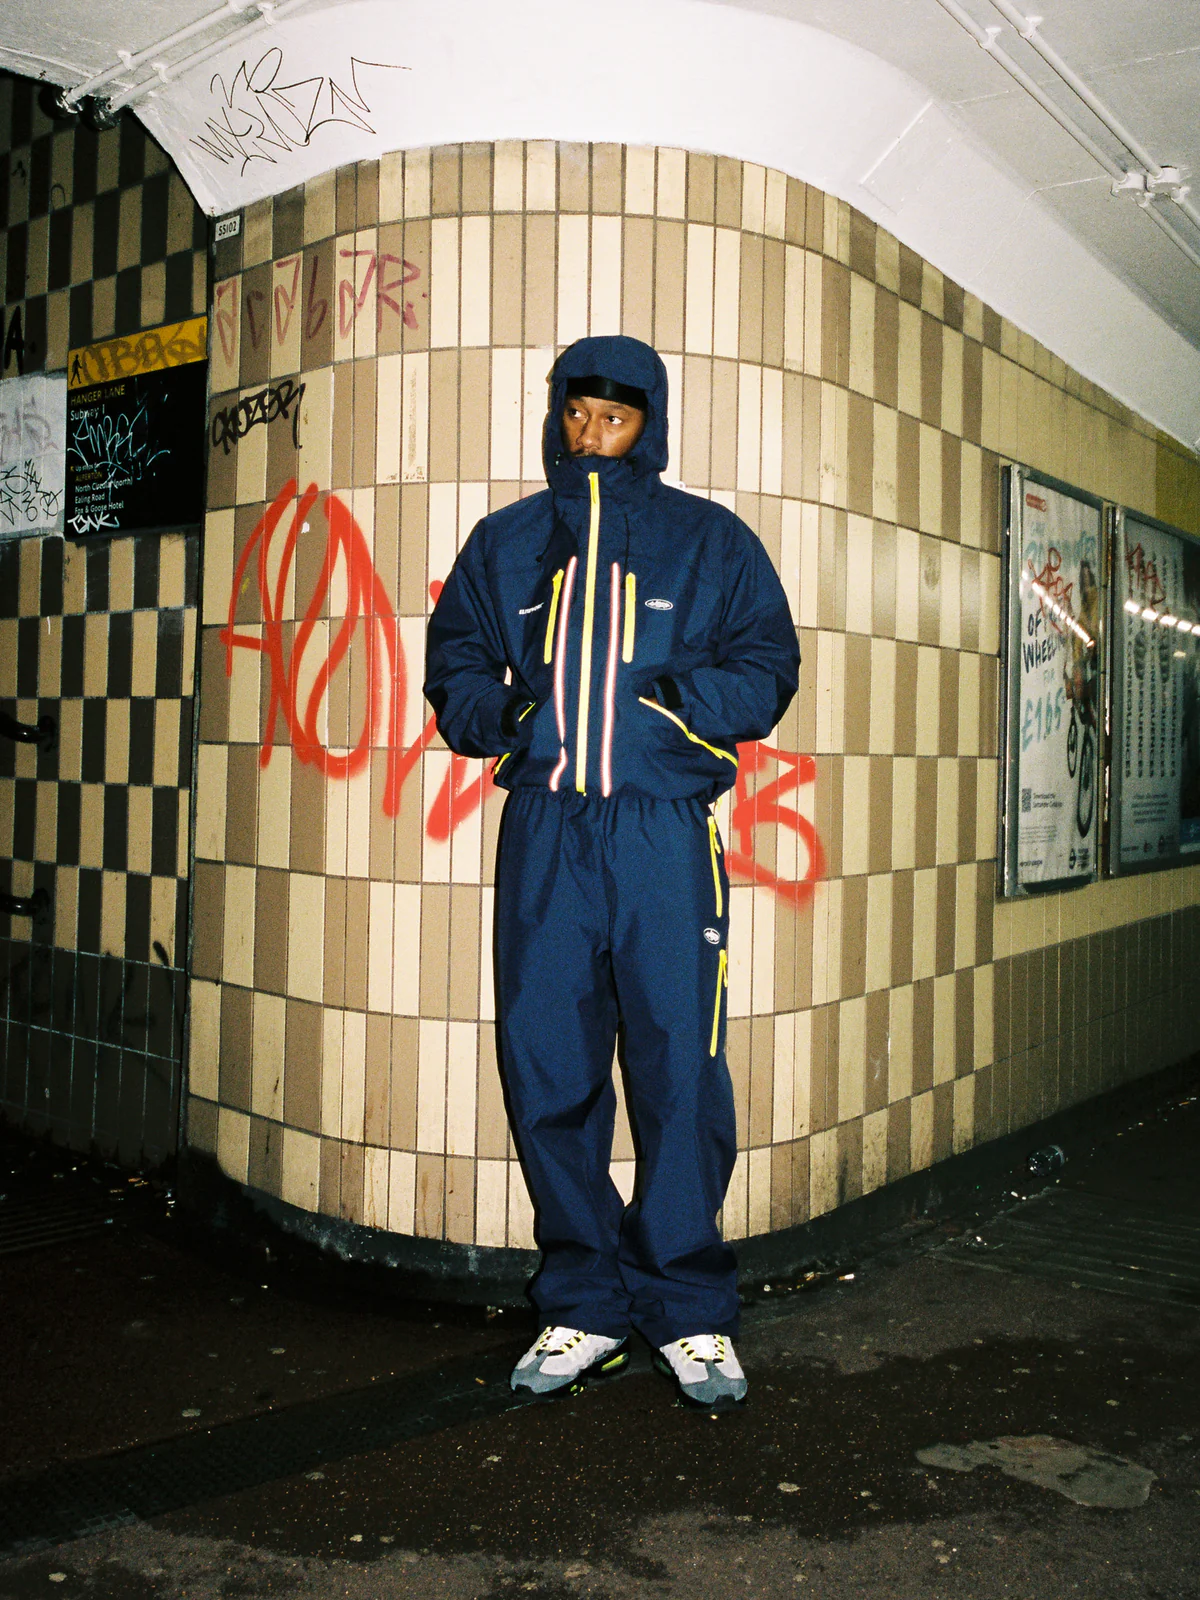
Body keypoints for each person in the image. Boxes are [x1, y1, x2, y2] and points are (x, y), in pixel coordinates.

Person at [424, 335, 799, 1409]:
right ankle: (585, 1303)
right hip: (547, 834)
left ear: (651, 425)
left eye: (616, 418)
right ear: (559, 416)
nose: (594, 435)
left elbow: (769, 665)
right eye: (578, 414)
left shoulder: (709, 542)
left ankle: (688, 1307)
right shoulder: (508, 542)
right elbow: (454, 664)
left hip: (664, 835)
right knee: (549, 1065)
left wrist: (679, 705)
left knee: (681, 1068)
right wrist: (509, 717)